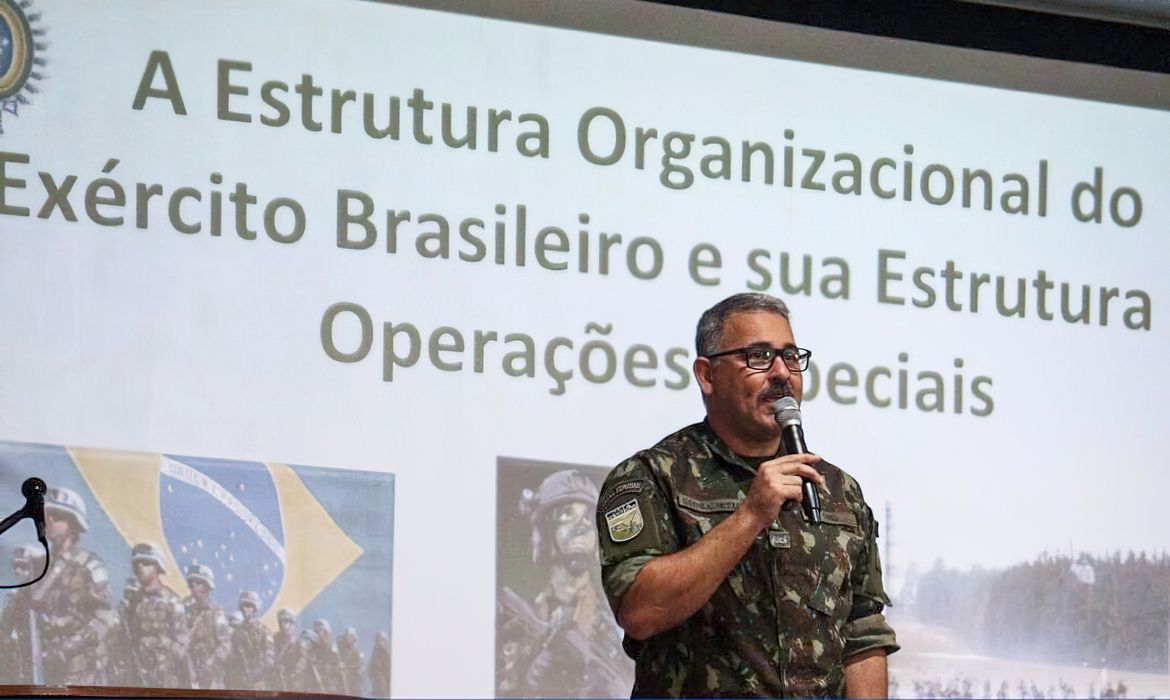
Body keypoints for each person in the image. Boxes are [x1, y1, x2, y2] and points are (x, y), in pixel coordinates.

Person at [596, 293, 898, 697]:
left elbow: (862, 630)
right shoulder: (653, 477)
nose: (782, 372)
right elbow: (640, 612)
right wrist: (751, 515)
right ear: (707, 375)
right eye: (759, 356)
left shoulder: (839, 490)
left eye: (791, 356)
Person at [497, 469, 631, 698]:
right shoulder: (522, 619)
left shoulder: (618, 624)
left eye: (588, 518)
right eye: (566, 514)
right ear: (544, 533)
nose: (582, 527)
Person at [28, 486, 115, 685]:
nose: (49, 520)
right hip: (44, 666)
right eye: (47, 514)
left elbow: (105, 619)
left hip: (81, 670)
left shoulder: (89, 565)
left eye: (57, 516)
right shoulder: (41, 567)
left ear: (74, 524)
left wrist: (66, 648)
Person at [115, 542, 192, 688]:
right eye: (137, 564)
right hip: (137, 674)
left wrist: (166, 665)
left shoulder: (171, 600)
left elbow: (182, 639)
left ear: (157, 566)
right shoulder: (132, 603)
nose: (140, 567)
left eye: (146, 562)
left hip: (166, 677)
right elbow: (124, 638)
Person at [0, 544, 45, 683]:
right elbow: (4, 633)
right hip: (28, 662)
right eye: (16, 567)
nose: (18, 571)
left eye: (24, 567)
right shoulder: (14, 598)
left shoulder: (50, 595)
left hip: (55, 657)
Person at [183, 563, 231, 689]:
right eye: (191, 583)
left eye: (198, 583)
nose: (194, 586)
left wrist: (209, 666)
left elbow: (225, 645)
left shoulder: (216, 613)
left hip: (210, 676)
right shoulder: (185, 611)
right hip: (188, 671)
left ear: (207, 587)